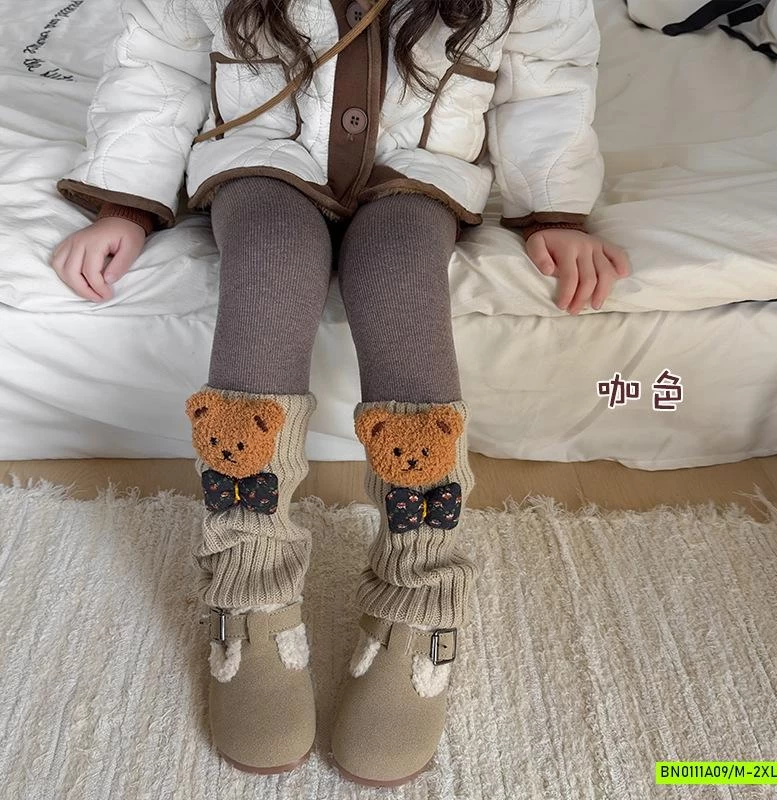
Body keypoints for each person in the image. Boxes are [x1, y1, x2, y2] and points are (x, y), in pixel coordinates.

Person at [50, 0, 630, 786]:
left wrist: (551, 210)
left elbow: (547, 79)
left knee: (398, 272)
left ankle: (422, 588)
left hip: (420, 168)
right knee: (271, 256)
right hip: (264, 158)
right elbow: (159, 59)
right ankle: (248, 584)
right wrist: (126, 202)